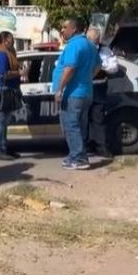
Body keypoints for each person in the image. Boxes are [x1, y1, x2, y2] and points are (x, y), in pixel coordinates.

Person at [52, 18, 98, 170]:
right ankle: (74, 155)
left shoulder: (74, 45)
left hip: (73, 93)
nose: (62, 30)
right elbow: (99, 65)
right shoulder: (90, 45)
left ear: (74, 29)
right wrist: (87, 78)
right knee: (80, 125)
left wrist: (59, 89)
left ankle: (79, 158)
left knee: (71, 125)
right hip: (86, 92)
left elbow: (69, 69)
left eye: (65, 27)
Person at [0, 31, 22, 161]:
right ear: (5, 40)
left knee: (4, 122)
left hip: (7, 90)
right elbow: (2, 75)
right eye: (11, 39)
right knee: (0, 121)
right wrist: (19, 73)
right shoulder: (1, 54)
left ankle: (3, 148)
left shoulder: (6, 53)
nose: (13, 42)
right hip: (2, 90)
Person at [86, 27, 118, 158]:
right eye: (91, 40)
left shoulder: (105, 50)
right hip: (84, 88)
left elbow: (114, 67)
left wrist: (100, 66)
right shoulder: (82, 49)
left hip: (98, 88)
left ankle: (101, 147)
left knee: (98, 119)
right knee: (84, 119)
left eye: (96, 40)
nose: (95, 43)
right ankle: (86, 146)